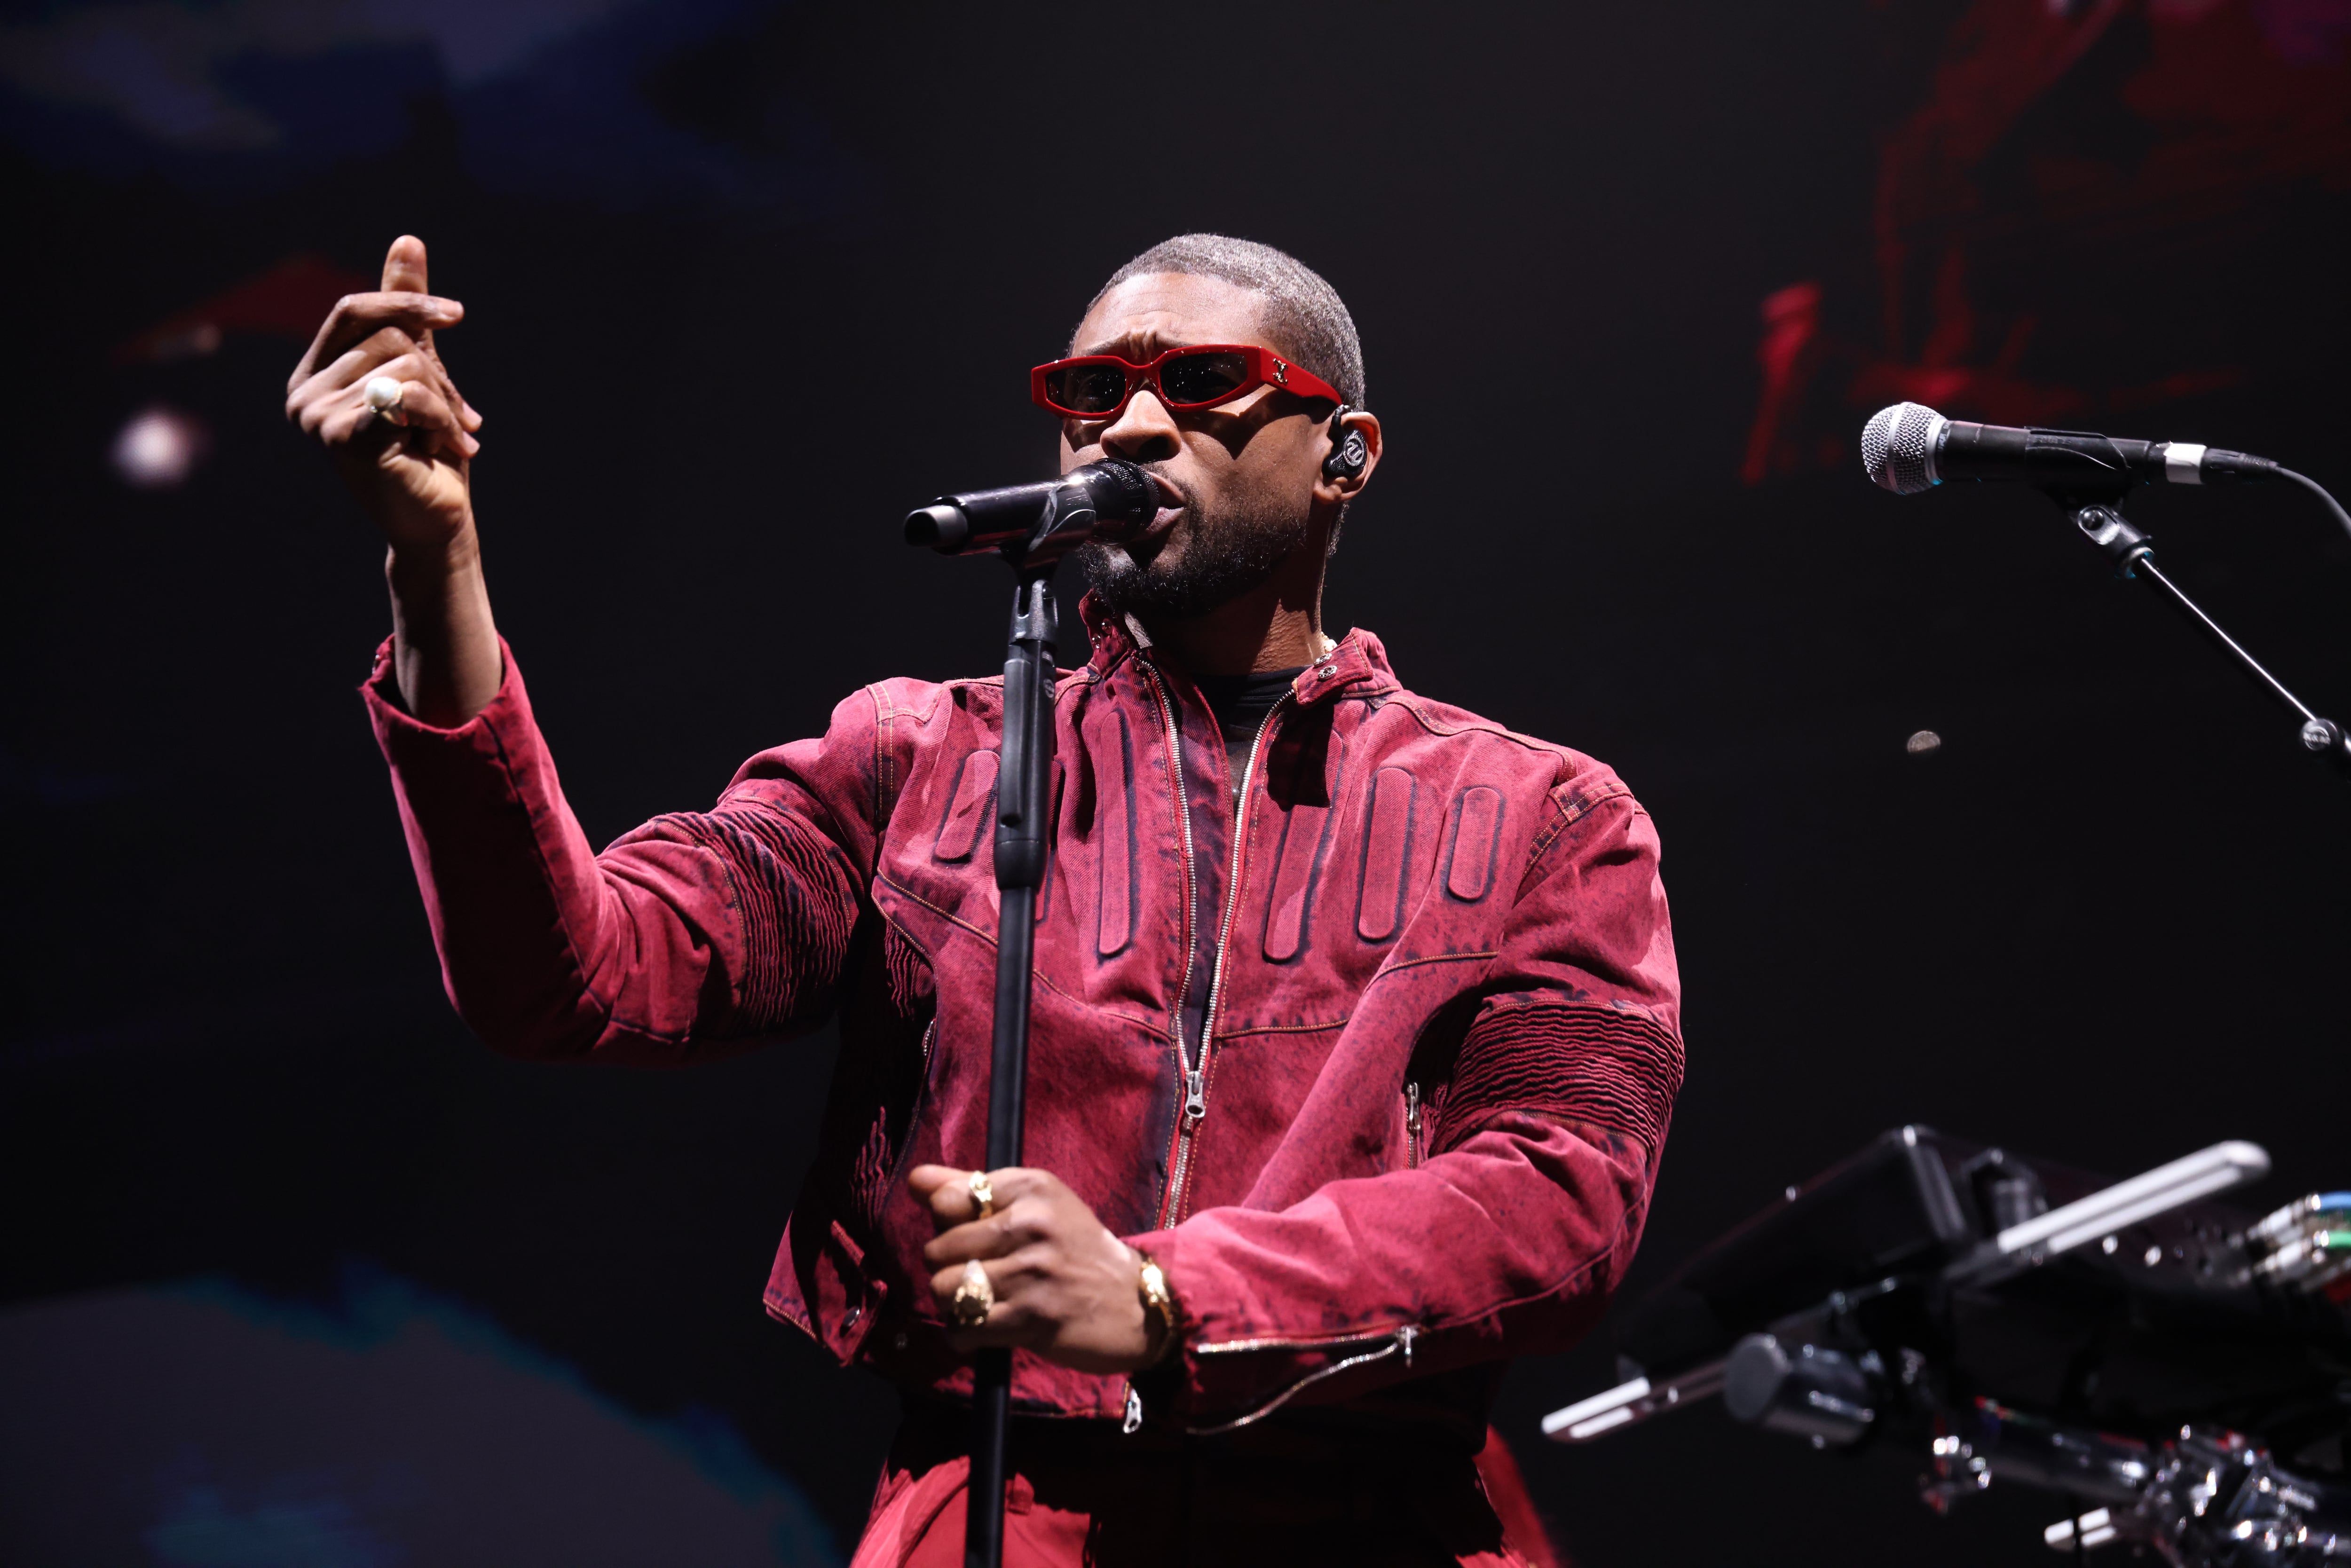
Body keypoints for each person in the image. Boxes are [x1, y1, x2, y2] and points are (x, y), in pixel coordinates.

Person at [287, 231, 1683, 1567]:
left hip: (1370, 1521)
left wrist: (1165, 1299)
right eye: (1089, 392)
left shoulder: (1544, 817)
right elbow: (576, 977)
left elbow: (1562, 1204)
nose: (1130, 426)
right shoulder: (914, 763)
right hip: (994, 1515)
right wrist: (436, 562)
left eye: (1198, 383)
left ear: (1346, 456)